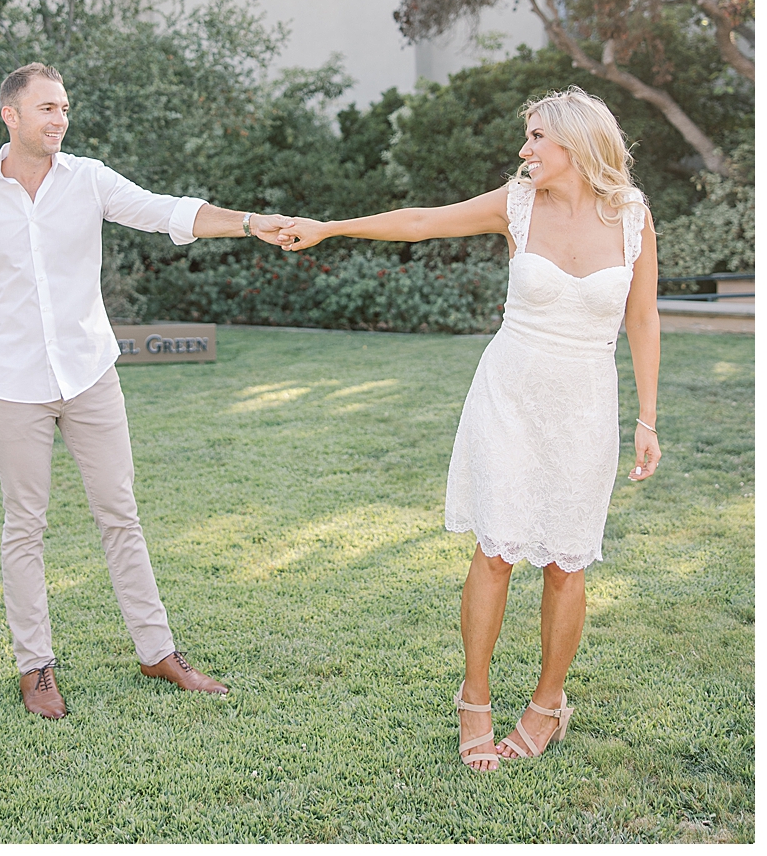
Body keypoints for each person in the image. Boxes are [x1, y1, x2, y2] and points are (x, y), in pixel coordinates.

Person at [276, 87, 660, 771]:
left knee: (568, 562)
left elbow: (643, 318)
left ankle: (547, 704)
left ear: (574, 141)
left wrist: (647, 418)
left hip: (585, 405)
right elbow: (422, 219)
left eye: (537, 136)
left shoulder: (631, 215)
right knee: (495, 551)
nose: (525, 149)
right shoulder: (515, 203)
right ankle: (474, 696)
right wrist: (331, 226)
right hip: (508, 395)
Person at [0, 62, 292, 719]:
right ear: (11, 115)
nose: (59, 119)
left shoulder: (88, 179)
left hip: (91, 376)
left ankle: (158, 651)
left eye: (64, 107)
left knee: (122, 517)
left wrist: (250, 221)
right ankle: (35, 667)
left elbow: (163, 211)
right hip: (15, 388)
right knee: (23, 528)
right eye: (47, 109)